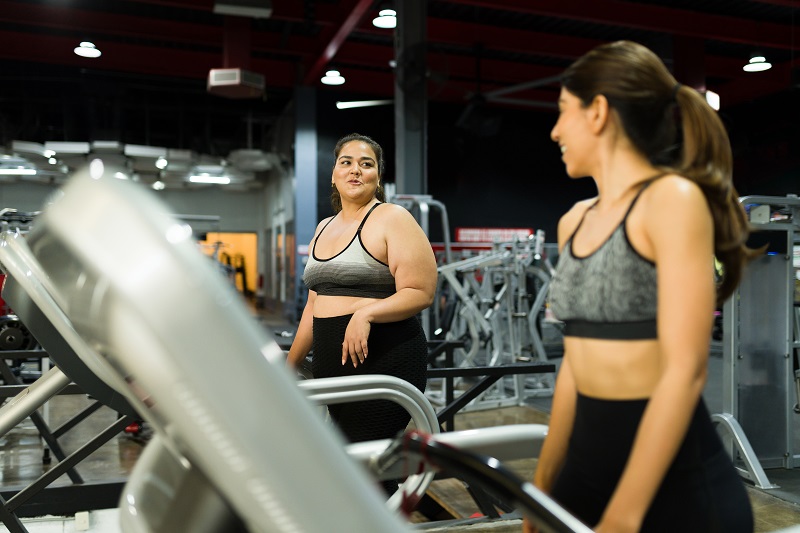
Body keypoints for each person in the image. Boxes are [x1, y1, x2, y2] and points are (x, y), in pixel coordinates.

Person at [523, 41, 758, 533]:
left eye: (563, 110)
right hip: (586, 472)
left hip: (675, 488)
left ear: (598, 112)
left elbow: (686, 370)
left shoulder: (670, 200)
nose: (554, 130)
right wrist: (541, 485)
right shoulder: (574, 221)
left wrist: (625, 514)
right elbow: (575, 364)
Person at [287, 133, 438, 493]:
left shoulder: (392, 218)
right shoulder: (324, 227)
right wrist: (289, 364)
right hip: (332, 365)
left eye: (366, 164)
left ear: (378, 177)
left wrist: (366, 314)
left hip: (385, 358)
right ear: (334, 175)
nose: (355, 170)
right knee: (347, 464)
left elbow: (421, 291)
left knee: (366, 470)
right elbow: (314, 304)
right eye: (347, 162)